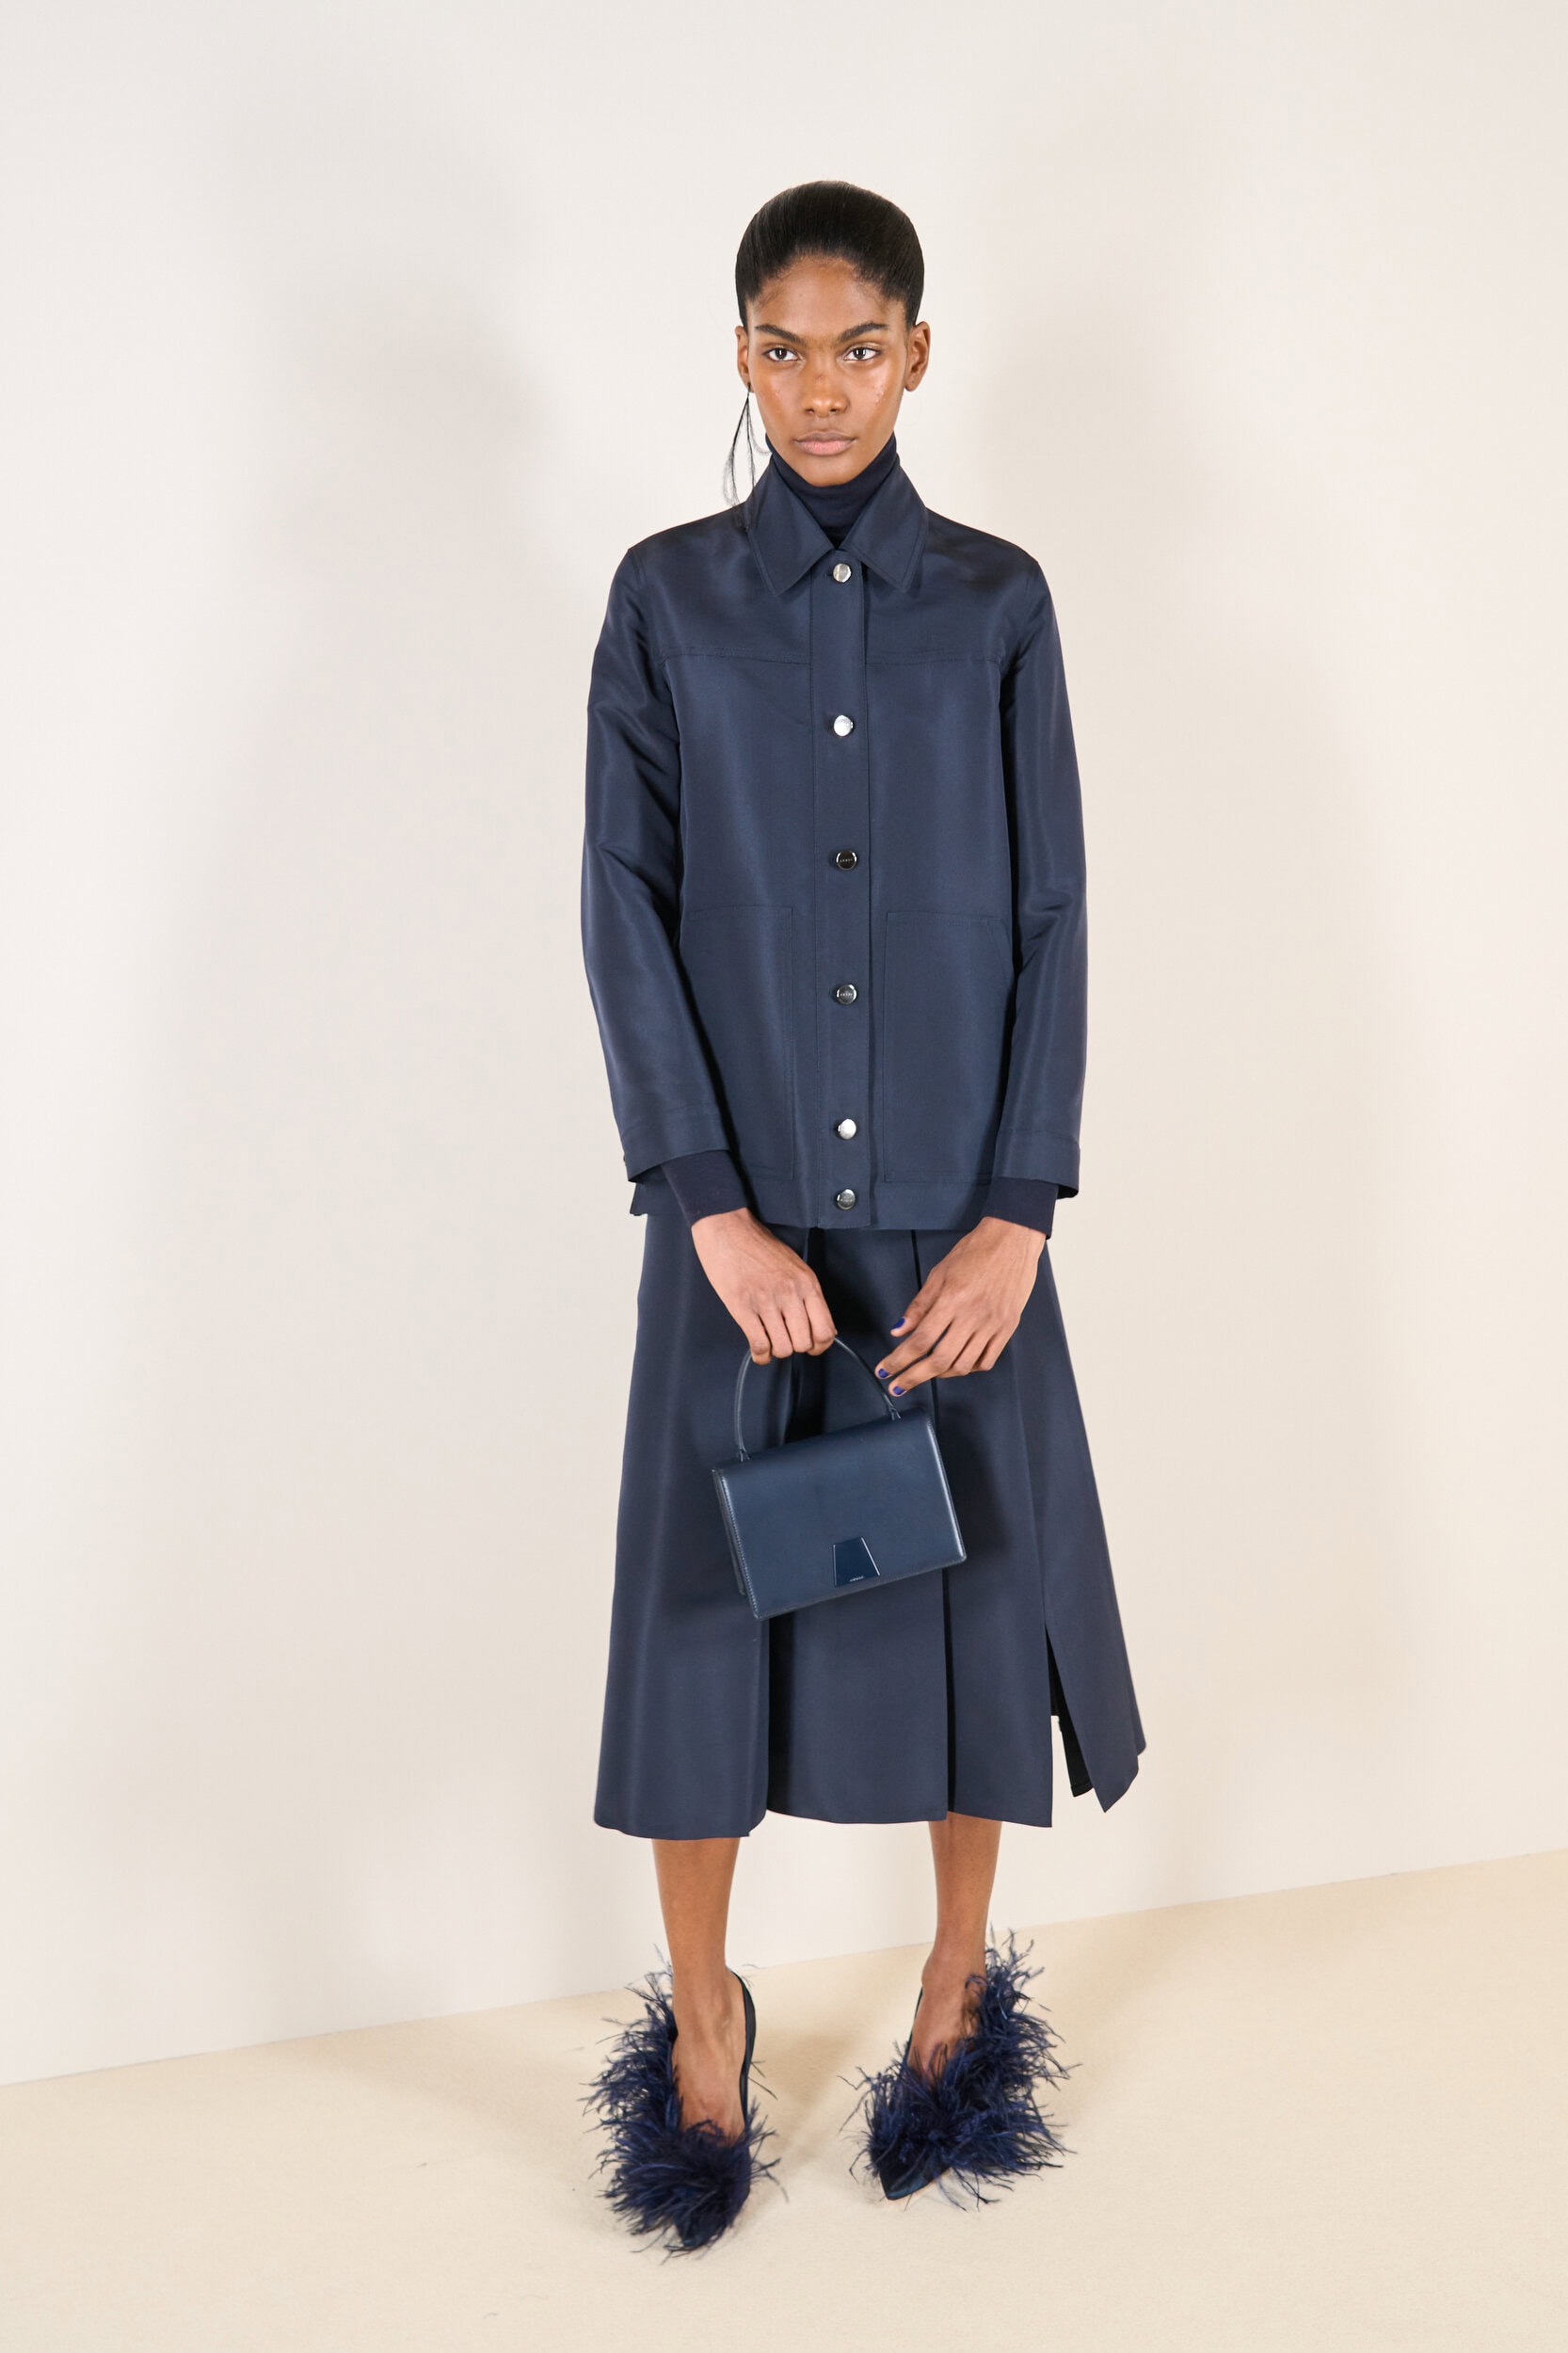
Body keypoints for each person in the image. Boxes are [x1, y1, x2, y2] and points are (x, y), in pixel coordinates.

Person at [580, 180, 1144, 2249]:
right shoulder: (663, 599)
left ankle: (951, 1989)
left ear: (915, 354)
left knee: (972, 1601)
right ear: (739, 354)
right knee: (698, 1623)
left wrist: (1016, 1212)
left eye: (858, 346)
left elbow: (1052, 909)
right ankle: (703, 2022)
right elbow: (622, 910)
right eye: (782, 347)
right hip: (739, 1236)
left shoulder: (996, 603)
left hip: (949, 1228)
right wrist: (707, 1209)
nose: (819, 387)